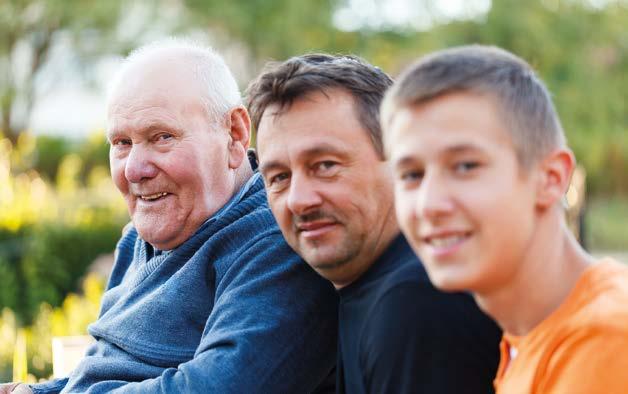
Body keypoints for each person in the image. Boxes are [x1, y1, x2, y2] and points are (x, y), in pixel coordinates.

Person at [1, 40, 338, 394]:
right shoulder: (139, 238)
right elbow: (105, 373)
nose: (134, 170)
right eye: (121, 143)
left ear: (234, 135)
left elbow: (217, 387)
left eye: (161, 137)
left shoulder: (276, 242)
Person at [246, 53, 501, 394]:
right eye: (279, 177)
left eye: (325, 165)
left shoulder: (416, 303)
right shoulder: (366, 286)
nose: (298, 199)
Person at [382, 44, 628, 393]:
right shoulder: (527, 338)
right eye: (411, 174)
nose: (428, 204)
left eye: (465, 166)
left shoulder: (604, 344)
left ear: (551, 178)